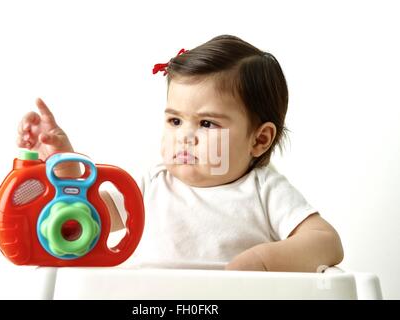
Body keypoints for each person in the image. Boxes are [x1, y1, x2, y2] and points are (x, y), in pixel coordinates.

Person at [17, 35, 343, 272]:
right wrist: (64, 163)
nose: (184, 137)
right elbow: (90, 219)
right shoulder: (149, 185)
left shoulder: (263, 189)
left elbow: (327, 242)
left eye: (206, 123)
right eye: (175, 120)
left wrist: (262, 261)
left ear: (259, 140)